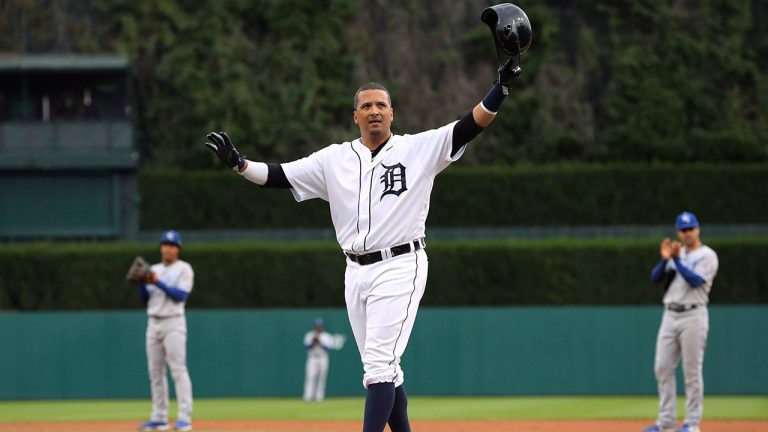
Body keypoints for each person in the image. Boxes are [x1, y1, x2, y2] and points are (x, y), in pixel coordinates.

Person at [205, 41, 522, 432]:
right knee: (387, 370)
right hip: (355, 272)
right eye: (367, 105)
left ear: (392, 113)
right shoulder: (333, 159)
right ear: (355, 115)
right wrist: (239, 164)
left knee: (377, 367)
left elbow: (470, 124)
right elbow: (278, 175)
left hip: (401, 265)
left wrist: (501, 88)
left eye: (381, 105)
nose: (374, 110)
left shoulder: (418, 149)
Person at [644, 212, 719, 432]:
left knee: (692, 371)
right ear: (678, 232)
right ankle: (666, 421)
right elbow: (655, 278)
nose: (687, 233)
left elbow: (695, 281)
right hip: (670, 313)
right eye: (683, 230)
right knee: (662, 367)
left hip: (693, 315)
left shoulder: (708, 255)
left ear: (698, 229)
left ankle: (692, 424)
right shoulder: (676, 253)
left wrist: (676, 260)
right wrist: (665, 259)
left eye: (691, 229)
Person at [138, 231, 195, 432]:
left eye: (172, 245)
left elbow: (180, 296)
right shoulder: (153, 269)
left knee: (178, 369)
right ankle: (159, 418)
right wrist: (142, 284)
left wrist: (156, 282)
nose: (168, 248)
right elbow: (145, 300)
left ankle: (184, 418)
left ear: (177, 249)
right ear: (161, 247)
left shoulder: (184, 269)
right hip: (153, 321)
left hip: (174, 322)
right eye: (165, 244)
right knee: (155, 372)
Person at [303, 317, 336, 402]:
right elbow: (307, 347)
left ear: (322, 326)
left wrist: (320, 342)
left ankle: (319, 397)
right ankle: (308, 396)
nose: (318, 327)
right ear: (315, 326)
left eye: (320, 325)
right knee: (310, 377)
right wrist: (313, 342)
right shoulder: (310, 335)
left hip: (323, 358)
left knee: (322, 378)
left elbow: (328, 348)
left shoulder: (326, 336)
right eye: (317, 325)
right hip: (312, 358)